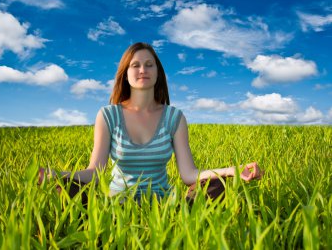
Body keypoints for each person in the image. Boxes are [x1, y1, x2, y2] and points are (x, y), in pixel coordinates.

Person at [39, 42, 263, 203]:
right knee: (66, 188)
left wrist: (232, 171)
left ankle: (179, 223)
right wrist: (59, 174)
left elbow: (188, 174)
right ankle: (101, 233)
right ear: (125, 73)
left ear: (158, 73)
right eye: (135, 65)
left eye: (149, 65)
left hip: (164, 206)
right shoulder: (108, 115)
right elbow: (95, 173)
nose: (143, 70)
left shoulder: (174, 117)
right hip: (116, 206)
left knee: (218, 185)